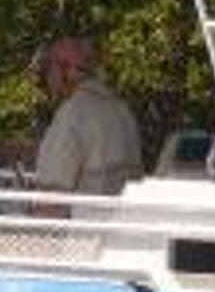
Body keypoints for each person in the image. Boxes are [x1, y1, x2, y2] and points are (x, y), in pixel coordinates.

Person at [27, 35, 141, 198]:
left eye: (46, 68)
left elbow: (52, 196)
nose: (45, 79)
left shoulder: (72, 114)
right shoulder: (120, 109)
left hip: (82, 219)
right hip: (118, 218)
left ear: (64, 70)